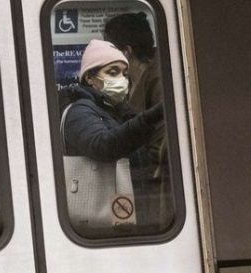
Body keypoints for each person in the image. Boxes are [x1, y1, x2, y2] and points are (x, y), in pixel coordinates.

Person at [61, 39, 163, 229]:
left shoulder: (116, 110)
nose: (121, 79)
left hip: (124, 203)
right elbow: (104, 145)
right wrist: (150, 116)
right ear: (89, 78)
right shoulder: (78, 111)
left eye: (124, 73)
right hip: (98, 213)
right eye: (112, 72)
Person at [104, 13, 171, 228]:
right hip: (132, 180)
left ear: (126, 51)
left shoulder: (158, 80)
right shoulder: (125, 82)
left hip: (152, 184)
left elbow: (162, 144)